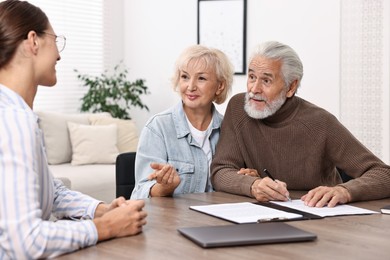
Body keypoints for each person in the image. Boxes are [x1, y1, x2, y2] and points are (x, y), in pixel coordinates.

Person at [0, 1, 147, 258]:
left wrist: (100, 210)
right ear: (33, 41)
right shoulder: (12, 120)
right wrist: (105, 227)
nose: (59, 54)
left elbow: (48, 189)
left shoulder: (19, 115)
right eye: (55, 40)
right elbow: (24, 241)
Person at [211, 41, 390, 208]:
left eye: (266, 80)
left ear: (291, 87)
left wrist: (344, 191)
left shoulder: (320, 122)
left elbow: (384, 174)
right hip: (264, 215)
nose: (254, 89)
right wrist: (253, 185)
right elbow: (221, 171)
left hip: (321, 217)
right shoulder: (238, 108)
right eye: (251, 77)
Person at [131, 45, 235, 199]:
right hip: (172, 221)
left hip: (217, 220)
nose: (190, 86)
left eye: (201, 78)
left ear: (220, 86)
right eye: (185, 77)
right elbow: (141, 193)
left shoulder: (229, 129)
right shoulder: (158, 127)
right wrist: (164, 187)